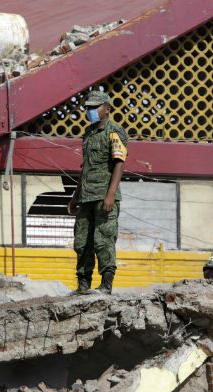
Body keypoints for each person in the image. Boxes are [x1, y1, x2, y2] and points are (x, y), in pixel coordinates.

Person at [67, 91, 128, 295]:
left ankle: (106, 285)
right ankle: (83, 284)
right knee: (82, 242)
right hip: (86, 197)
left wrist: (110, 194)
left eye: (95, 107)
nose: (90, 111)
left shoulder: (115, 132)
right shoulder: (88, 134)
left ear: (107, 108)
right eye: (88, 108)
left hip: (104, 197)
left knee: (103, 241)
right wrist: (75, 196)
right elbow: (85, 168)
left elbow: (119, 163)